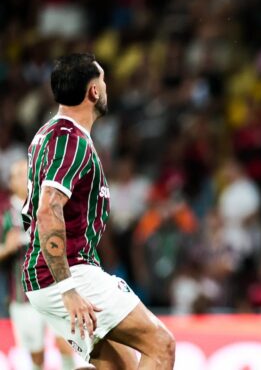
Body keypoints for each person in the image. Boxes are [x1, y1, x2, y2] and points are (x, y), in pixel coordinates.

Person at [21, 53, 175, 368]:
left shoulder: (47, 136)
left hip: (48, 275)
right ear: (93, 91)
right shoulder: (70, 139)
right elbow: (48, 209)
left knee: (123, 367)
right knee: (161, 346)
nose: (106, 87)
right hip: (68, 273)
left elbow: (30, 216)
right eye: (103, 81)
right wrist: (68, 288)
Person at [2, 159, 84, 370]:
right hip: (23, 296)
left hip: (56, 289)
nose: (25, 177)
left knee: (66, 343)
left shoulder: (47, 203)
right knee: (37, 356)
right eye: (19, 174)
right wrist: (8, 248)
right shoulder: (5, 216)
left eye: (27, 172)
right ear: (11, 183)